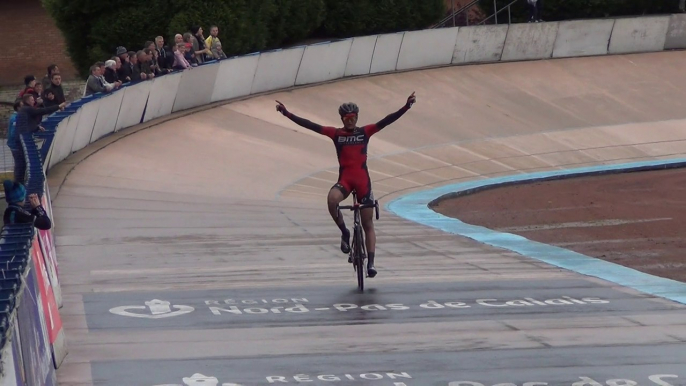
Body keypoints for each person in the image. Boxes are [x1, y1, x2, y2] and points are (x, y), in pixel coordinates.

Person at [275, 92, 417, 277]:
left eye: (352, 118)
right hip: (345, 181)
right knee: (332, 200)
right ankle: (344, 232)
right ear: (342, 119)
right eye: (346, 118)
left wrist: (406, 107)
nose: (350, 121)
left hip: (363, 182)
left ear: (357, 118)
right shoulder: (336, 134)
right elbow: (310, 125)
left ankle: (371, 264)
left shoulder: (365, 132)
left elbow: (387, 120)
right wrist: (287, 114)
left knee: (367, 223)